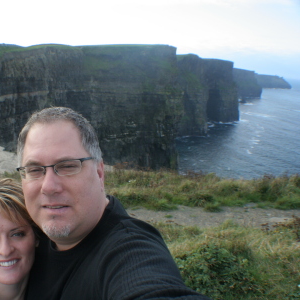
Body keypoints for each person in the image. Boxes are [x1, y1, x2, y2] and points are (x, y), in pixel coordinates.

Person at [16, 107, 211, 299]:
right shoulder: (22, 237)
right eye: (34, 170)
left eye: (67, 166)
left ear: (100, 173)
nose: (49, 187)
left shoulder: (130, 252)